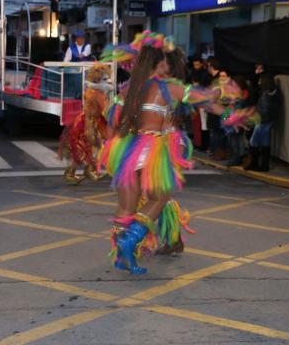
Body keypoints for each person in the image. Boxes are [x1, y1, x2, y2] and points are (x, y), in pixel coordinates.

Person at [99, 32, 250, 274]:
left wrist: (109, 152)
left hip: (127, 149)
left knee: (127, 204)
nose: (169, 65)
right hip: (154, 149)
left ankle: (124, 254)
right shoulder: (167, 87)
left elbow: (112, 120)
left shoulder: (129, 89)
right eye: (166, 60)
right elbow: (209, 101)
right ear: (160, 63)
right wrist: (226, 101)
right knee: (161, 197)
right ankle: (131, 241)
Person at [58, 64, 111, 184]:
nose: (108, 82)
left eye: (107, 79)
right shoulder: (96, 93)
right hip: (88, 123)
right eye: (105, 79)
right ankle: (70, 173)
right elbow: (105, 110)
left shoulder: (95, 91)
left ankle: (90, 170)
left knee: (95, 147)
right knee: (82, 149)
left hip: (94, 121)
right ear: (97, 79)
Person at [244, 74, 280, 172]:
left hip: (261, 121)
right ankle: (264, 165)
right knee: (265, 143)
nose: (259, 82)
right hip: (269, 121)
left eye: (261, 80)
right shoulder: (275, 93)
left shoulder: (265, 95)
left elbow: (263, 110)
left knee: (253, 142)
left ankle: (253, 163)